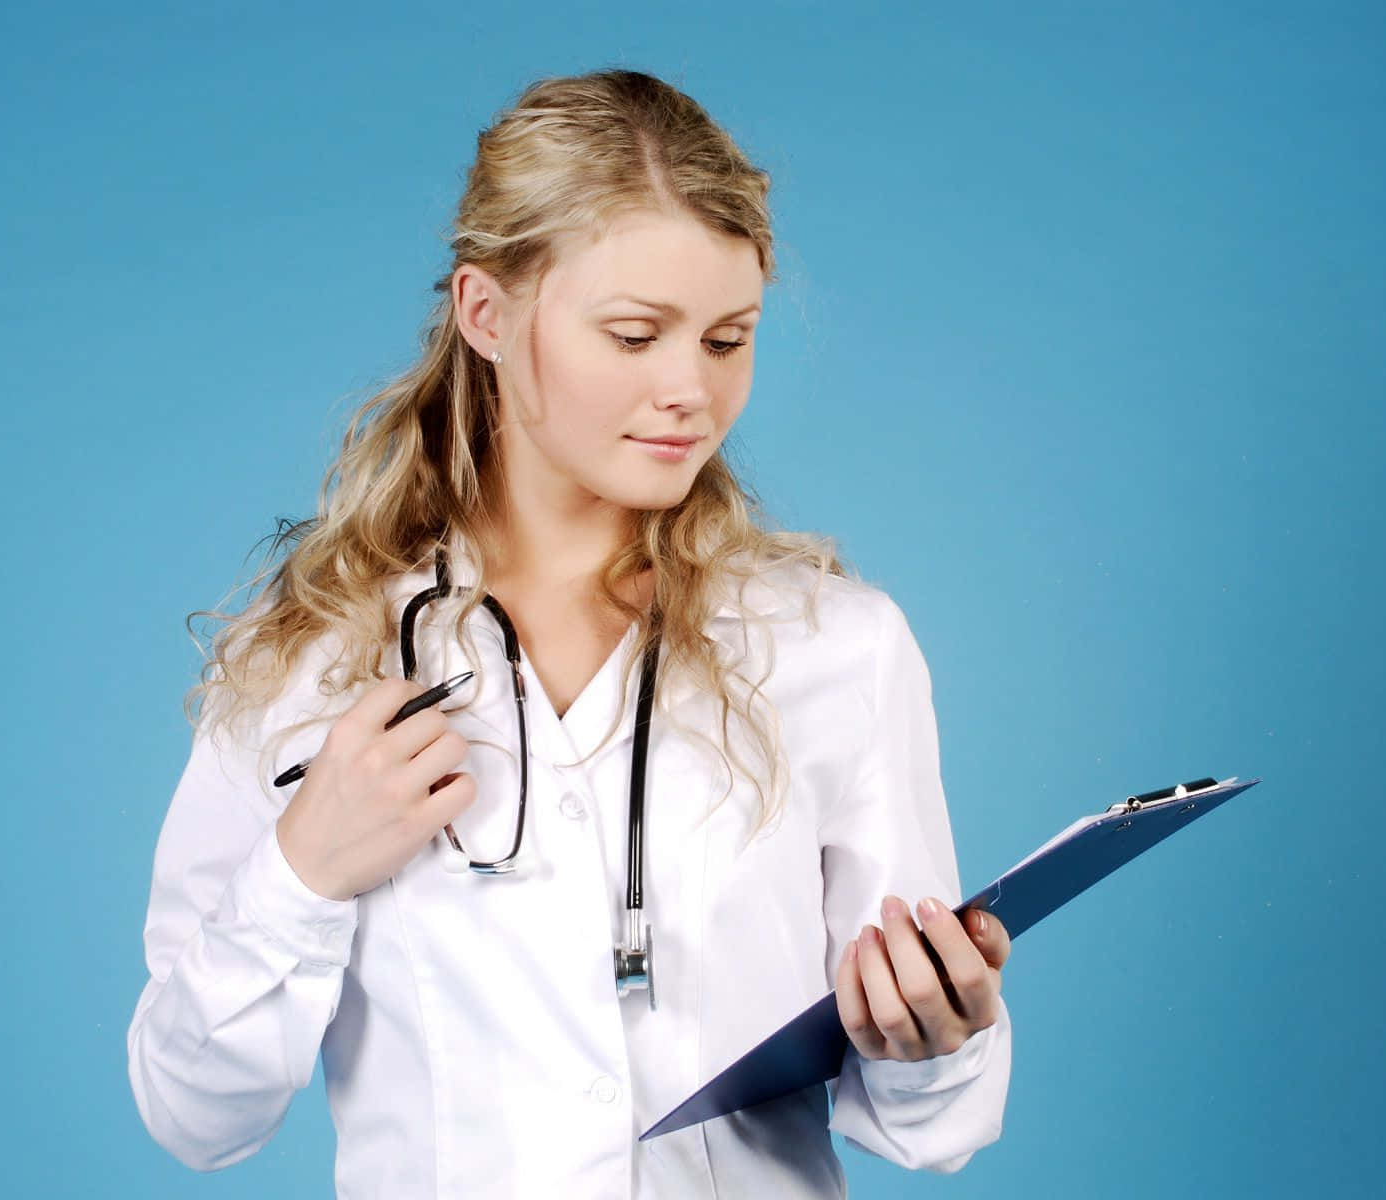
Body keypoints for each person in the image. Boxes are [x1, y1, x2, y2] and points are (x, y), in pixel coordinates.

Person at [125, 67, 1013, 1199]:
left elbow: (938, 1127)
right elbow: (191, 1113)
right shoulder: (313, 660)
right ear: (485, 313)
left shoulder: (837, 647)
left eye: (728, 339)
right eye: (636, 335)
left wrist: (938, 1036)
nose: (690, 389)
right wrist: (303, 872)